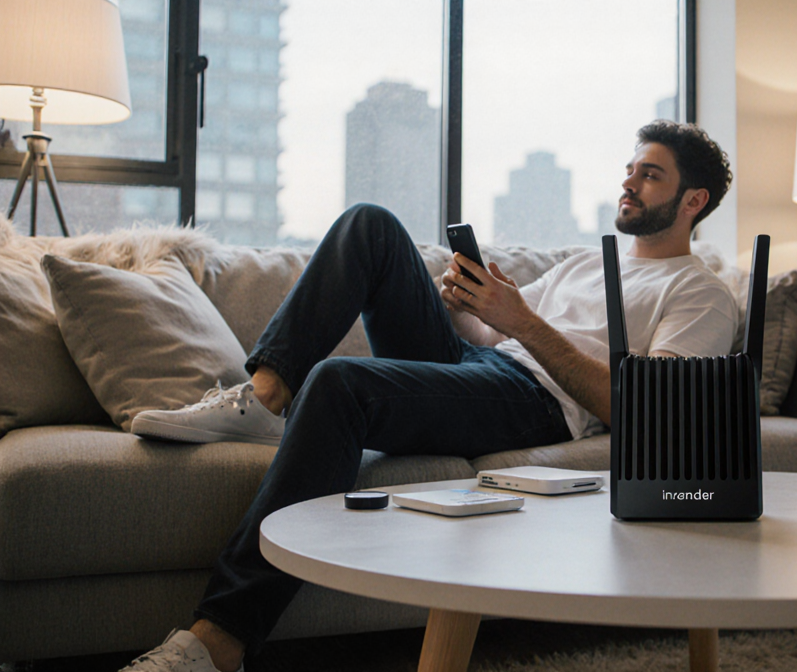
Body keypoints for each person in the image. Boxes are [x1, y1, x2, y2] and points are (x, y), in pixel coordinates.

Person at [121, 120, 737, 672]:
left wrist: (521, 322)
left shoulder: (700, 294)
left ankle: (221, 638)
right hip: (485, 366)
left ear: (694, 200)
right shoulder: (587, 263)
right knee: (371, 225)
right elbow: (490, 336)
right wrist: (470, 304)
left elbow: (646, 411)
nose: (629, 183)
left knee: (339, 382)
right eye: (630, 169)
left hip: (535, 403)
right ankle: (265, 394)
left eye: (650, 175)